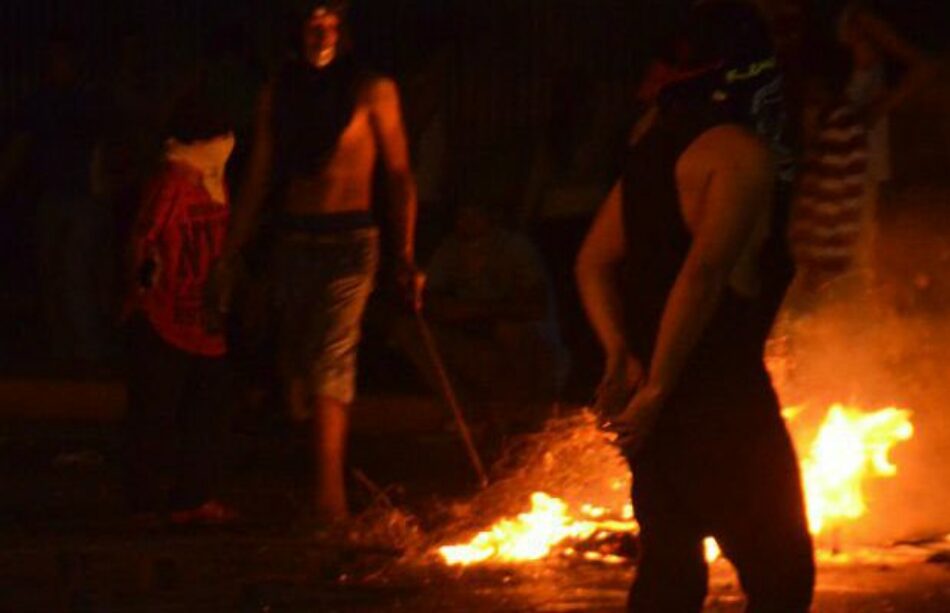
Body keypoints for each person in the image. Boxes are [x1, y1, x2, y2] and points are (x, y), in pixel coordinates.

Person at [575, 2, 814, 610]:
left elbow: (592, 262)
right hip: (723, 405)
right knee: (783, 578)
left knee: (669, 575)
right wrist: (656, 384)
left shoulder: (649, 147)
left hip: (658, 420)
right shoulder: (740, 156)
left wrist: (619, 354)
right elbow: (702, 276)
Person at [212, 0, 419, 525]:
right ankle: (313, 477)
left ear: (347, 31)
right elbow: (258, 175)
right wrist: (231, 251)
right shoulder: (278, 92)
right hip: (294, 239)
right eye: (312, 22)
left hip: (350, 240)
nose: (321, 33)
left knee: (331, 359)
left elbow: (397, 175)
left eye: (331, 23)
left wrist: (405, 254)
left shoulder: (373, 90)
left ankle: (331, 502)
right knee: (298, 366)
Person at [122, 85, 236, 525]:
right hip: (163, 318)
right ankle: (147, 504)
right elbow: (142, 242)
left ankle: (194, 497)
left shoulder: (216, 181)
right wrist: (140, 296)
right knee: (155, 415)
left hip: (205, 323)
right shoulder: (172, 183)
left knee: (206, 414)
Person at [390, 204, 568, 429]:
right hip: (482, 350)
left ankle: (525, 410)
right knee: (410, 330)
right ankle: (467, 413)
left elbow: (535, 308)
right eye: (462, 214)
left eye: (474, 213)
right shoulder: (451, 249)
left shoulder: (515, 248)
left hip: (529, 356)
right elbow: (432, 300)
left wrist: (475, 310)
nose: (466, 221)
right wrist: (444, 308)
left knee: (511, 331)